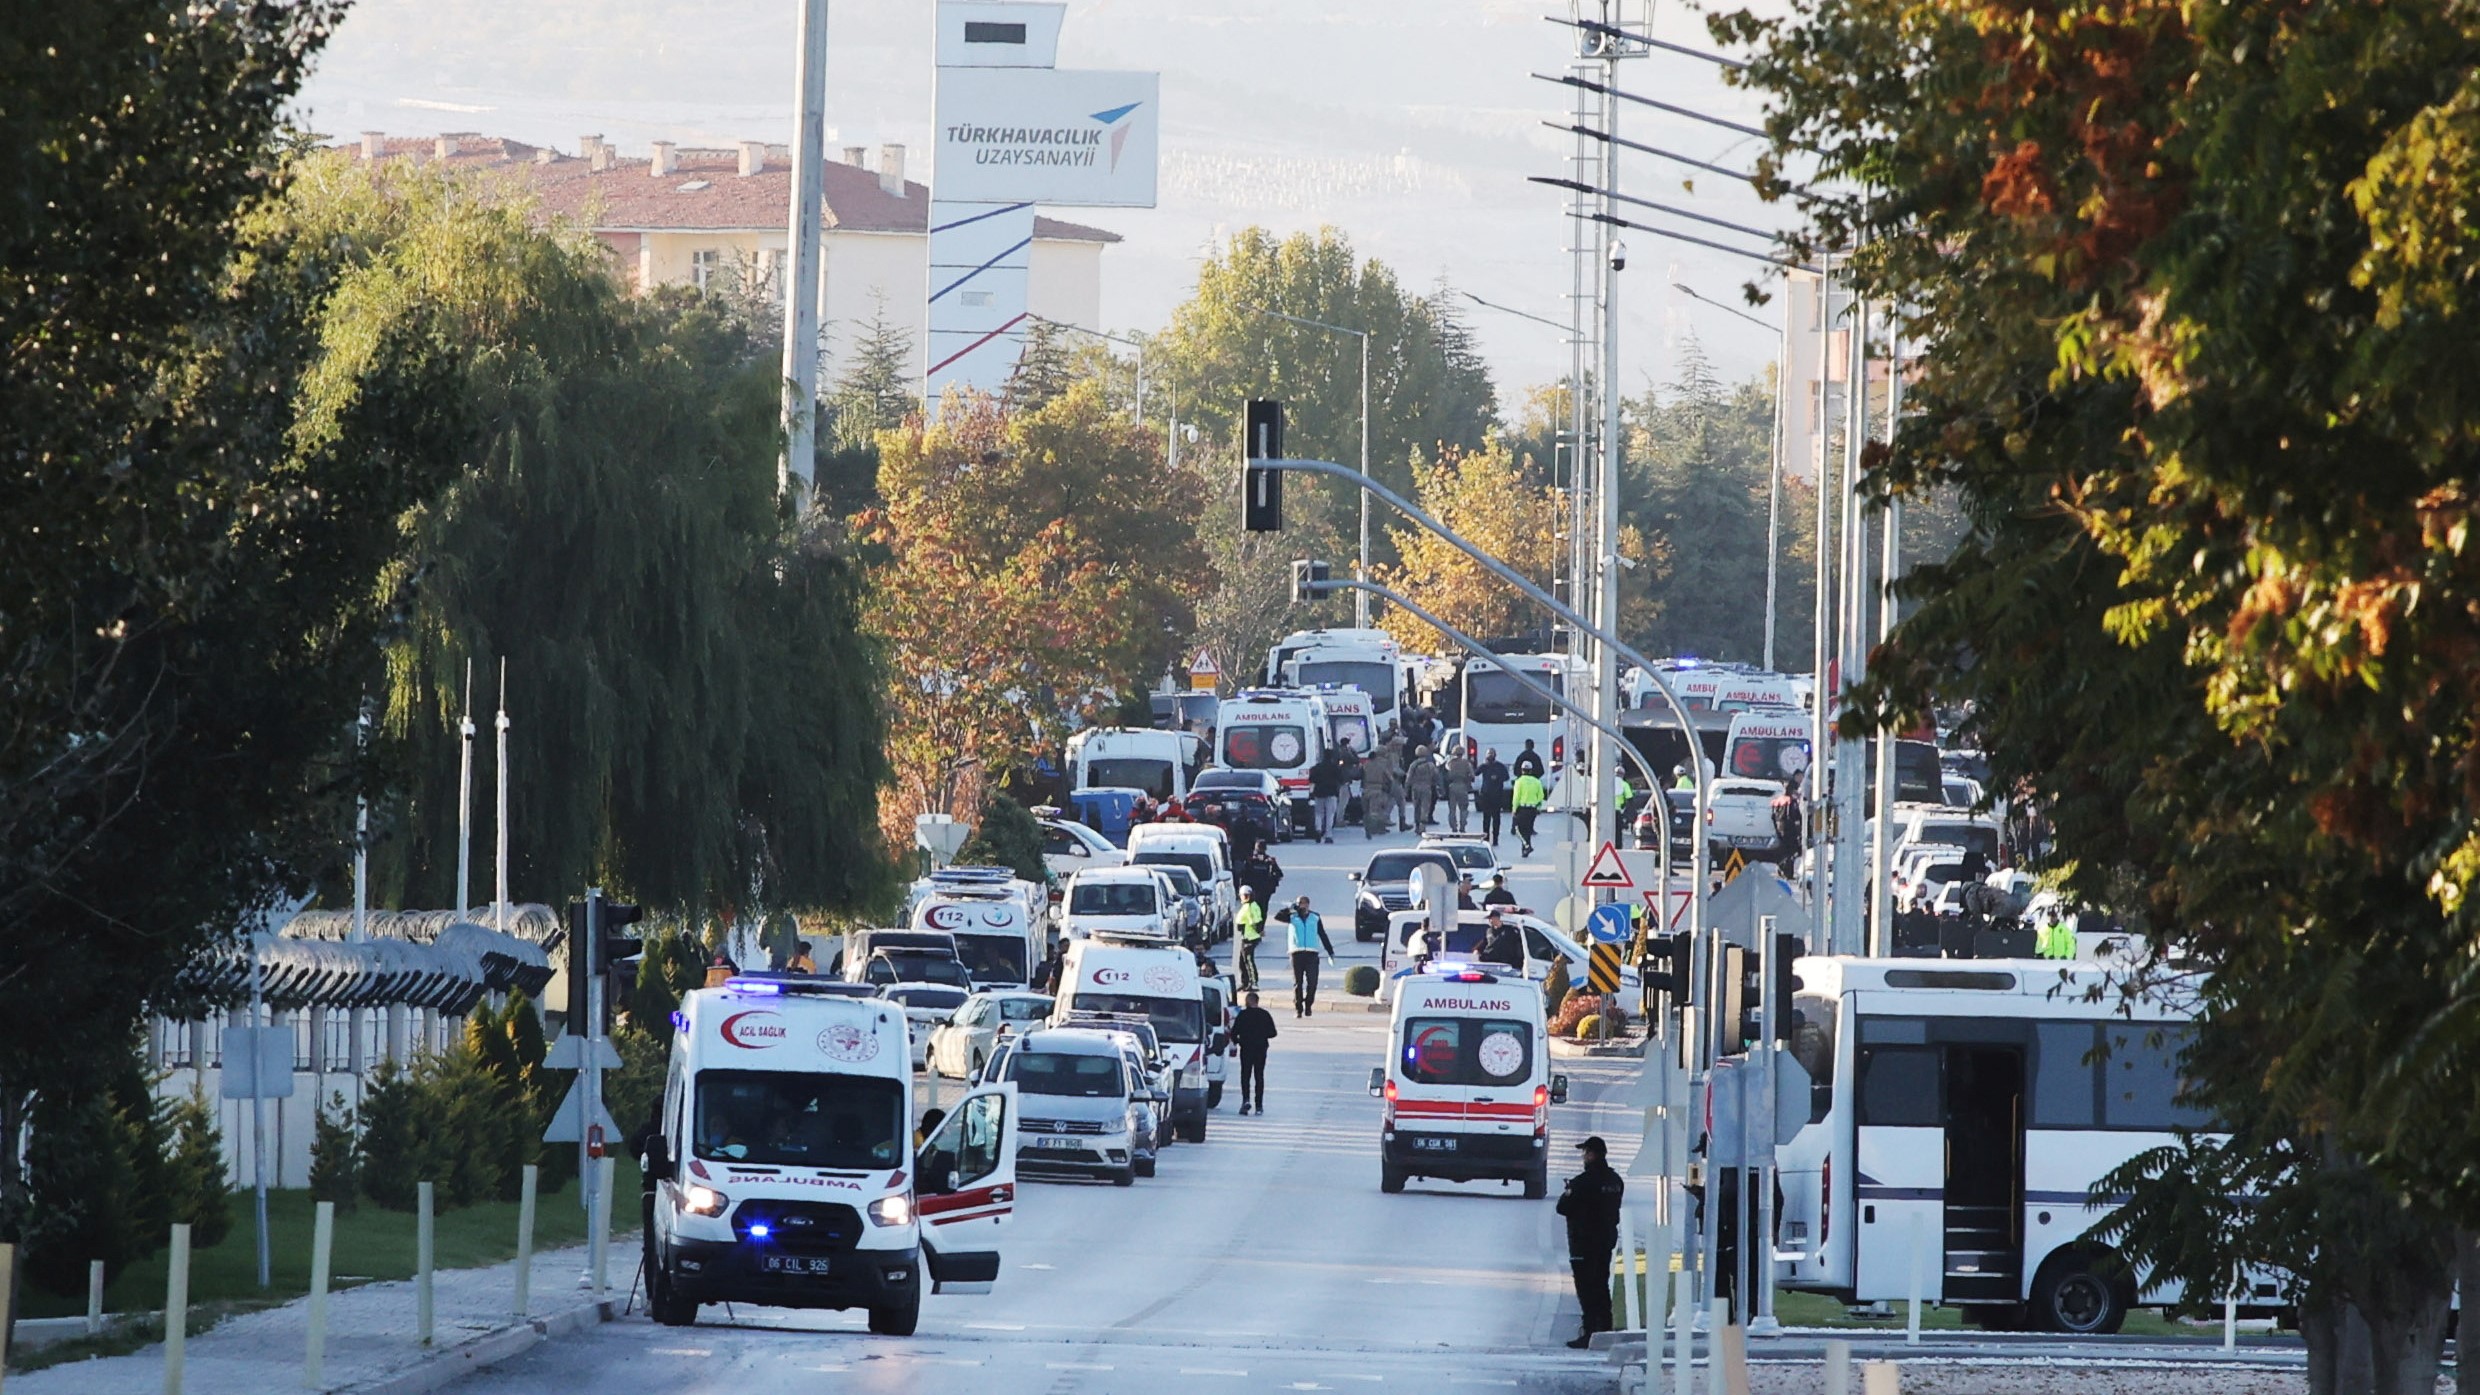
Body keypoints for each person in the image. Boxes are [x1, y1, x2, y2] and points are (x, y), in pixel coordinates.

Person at [1556, 1136, 1627, 1348]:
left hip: (1583, 1243)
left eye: (1585, 1153)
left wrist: (1570, 1192)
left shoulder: (1582, 1182)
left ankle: (1589, 1331)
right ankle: (1604, 1329)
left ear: (1592, 1154)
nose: (1583, 1157)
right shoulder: (1615, 1181)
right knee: (1601, 1285)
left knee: (1587, 1289)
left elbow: (1562, 1208)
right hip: (1605, 1241)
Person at [1275, 894, 1338, 1018]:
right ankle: (1298, 1008)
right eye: (1299, 903)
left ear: (1308, 905)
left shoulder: (1315, 917)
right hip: (1296, 953)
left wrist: (1330, 952)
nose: (1302, 906)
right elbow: (1277, 917)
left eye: (1304, 903)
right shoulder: (1292, 917)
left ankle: (1308, 1005)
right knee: (1298, 983)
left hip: (1312, 953)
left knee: (1312, 982)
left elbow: (1322, 934)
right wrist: (1290, 909)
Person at [1230, 990, 1279, 1115]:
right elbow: (1273, 1033)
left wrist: (1238, 1041)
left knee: (1245, 1075)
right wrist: (1262, 1035)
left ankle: (1245, 1100)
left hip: (1246, 1048)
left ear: (1247, 1002)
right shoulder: (1264, 1014)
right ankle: (1259, 1105)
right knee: (1259, 1076)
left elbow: (1234, 1032)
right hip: (1260, 1049)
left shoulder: (1243, 1015)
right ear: (1257, 1001)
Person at [1476, 749, 1512, 847]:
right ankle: (1486, 838)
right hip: (1486, 795)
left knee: (1496, 818)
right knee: (1486, 818)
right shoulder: (1484, 766)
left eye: (1491, 754)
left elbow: (1506, 777)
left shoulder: (1500, 766)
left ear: (1495, 755)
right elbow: (1476, 773)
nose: (1490, 756)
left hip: (1497, 795)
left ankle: (1495, 838)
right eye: (1488, 754)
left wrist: (1497, 777)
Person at [1308, 749, 1345, 844]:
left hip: (1319, 793)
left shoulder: (1317, 768)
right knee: (1330, 814)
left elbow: (1311, 780)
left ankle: (1318, 829)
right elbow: (1341, 779)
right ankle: (1328, 835)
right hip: (1331, 793)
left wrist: (1312, 793)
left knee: (1319, 813)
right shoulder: (1335, 768)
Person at [1511, 768, 1549, 857]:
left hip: (1522, 808)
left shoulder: (1519, 781)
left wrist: (1514, 809)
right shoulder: (1537, 782)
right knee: (1528, 830)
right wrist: (1538, 807)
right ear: (1530, 771)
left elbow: (1516, 797)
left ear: (1522, 770)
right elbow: (1541, 796)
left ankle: (1527, 846)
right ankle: (1526, 849)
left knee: (1517, 830)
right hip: (1532, 810)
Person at [1235, 885, 1267, 990]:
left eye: (1244, 895)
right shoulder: (1247, 906)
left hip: (1250, 938)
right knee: (1242, 961)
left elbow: (1256, 921)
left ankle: (1253, 982)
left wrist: (1259, 931)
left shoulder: (1250, 906)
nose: (1243, 898)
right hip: (1245, 937)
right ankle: (1245, 982)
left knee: (1248, 960)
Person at [1442, 748, 1476, 833]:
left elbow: (1445, 775)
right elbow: (1472, 776)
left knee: (1452, 809)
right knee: (1463, 808)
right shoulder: (1466, 763)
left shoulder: (1450, 763)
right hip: (1463, 786)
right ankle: (1462, 826)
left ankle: (1453, 826)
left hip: (1452, 786)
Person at [1405, 745, 1439, 831]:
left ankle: (1417, 824)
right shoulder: (1430, 765)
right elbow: (1436, 776)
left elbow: (1408, 778)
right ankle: (1422, 825)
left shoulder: (1413, 765)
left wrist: (1406, 789)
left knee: (1417, 806)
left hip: (1415, 788)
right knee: (1425, 807)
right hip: (1426, 787)